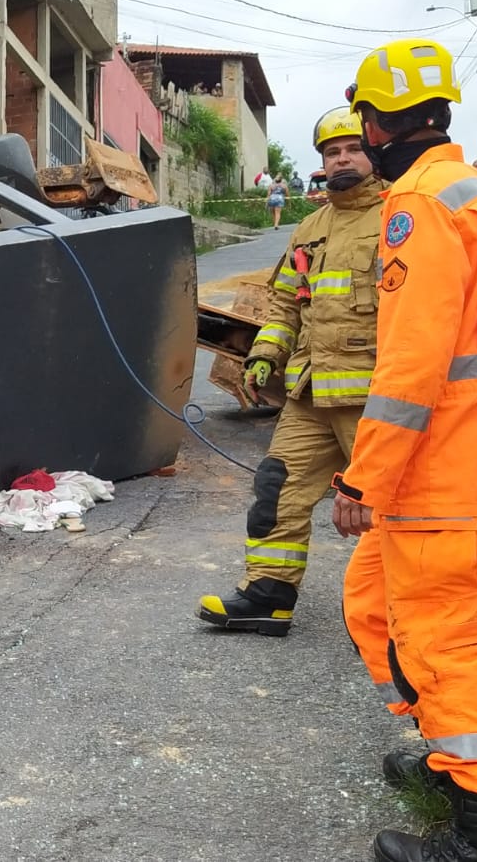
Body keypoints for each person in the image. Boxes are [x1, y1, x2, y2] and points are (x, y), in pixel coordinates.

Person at [341, 36, 477, 862]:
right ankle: (446, 753)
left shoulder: (420, 204)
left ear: (376, 122)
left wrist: (363, 475)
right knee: (375, 604)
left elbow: (412, 361)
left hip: (436, 465)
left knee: (440, 637)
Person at [197, 107, 386, 638]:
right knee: (276, 489)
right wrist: (264, 355)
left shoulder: (400, 217)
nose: (341, 158)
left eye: (351, 148)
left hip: (375, 396)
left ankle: (409, 611)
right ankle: (268, 596)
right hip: (309, 394)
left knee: (390, 507)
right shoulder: (310, 227)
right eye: (331, 152)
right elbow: (285, 306)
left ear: (372, 151)